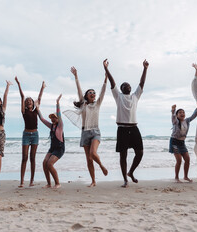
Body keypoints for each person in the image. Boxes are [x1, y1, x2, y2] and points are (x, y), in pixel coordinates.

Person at [103, 58, 149, 188]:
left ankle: (131, 172)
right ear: (121, 89)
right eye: (124, 86)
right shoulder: (118, 96)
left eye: (128, 85)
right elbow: (112, 82)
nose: (126, 86)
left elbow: (142, 82)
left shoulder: (135, 96)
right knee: (123, 156)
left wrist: (145, 68)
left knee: (140, 153)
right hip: (122, 129)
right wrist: (106, 68)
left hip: (134, 128)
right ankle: (125, 180)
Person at [63, 66, 108, 187]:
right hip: (85, 133)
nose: (93, 94)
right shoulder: (83, 105)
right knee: (88, 159)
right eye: (90, 93)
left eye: (94, 92)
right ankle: (93, 181)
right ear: (86, 96)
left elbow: (103, 91)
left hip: (95, 132)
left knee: (93, 154)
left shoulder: (97, 104)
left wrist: (106, 78)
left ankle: (102, 166)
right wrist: (76, 77)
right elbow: (79, 89)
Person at [15, 77, 44, 188]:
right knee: (24, 158)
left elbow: (39, 98)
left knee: (32, 158)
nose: (28, 102)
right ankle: (22, 181)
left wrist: (42, 87)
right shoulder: (24, 111)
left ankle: (31, 180)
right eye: (27, 101)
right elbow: (22, 96)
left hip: (35, 135)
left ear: (33, 103)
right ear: (26, 104)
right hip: (26, 135)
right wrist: (18, 83)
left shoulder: (36, 110)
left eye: (30, 101)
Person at [37, 91, 64, 189]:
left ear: (57, 119)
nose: (53, 119)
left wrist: (57, 103)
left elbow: (59, 115)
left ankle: (58, 183)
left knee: (49, 163)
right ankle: (49, 184)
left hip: (60, 149)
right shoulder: (51, 126)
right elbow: (42, 119)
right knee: (44, 163)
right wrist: (37, 108)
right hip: (52, 148)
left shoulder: (60, 126)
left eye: (54, 118)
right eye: (52, 118)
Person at [169, 103, 197, 183]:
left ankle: (186, 176)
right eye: (180, 113)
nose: (182, 114)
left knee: (187, 159)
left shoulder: (187, 121)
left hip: (182, 142)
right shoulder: (175, 122)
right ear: (177, 115)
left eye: (183, 112)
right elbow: (173, 117)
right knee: (179, 160)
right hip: (174, 142)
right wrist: (173, 110)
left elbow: (194, 115)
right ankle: (176, 177)